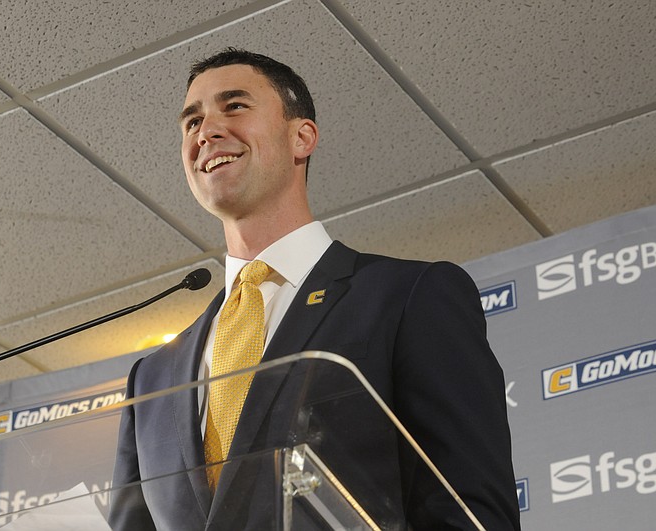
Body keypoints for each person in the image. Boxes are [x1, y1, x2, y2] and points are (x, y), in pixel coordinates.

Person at [109, 48, 520, 530]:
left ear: (301, 137)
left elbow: (471, 512)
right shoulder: (152, 379)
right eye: (191, 121)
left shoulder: (409, 297)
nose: (207, 131)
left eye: (234, 106)